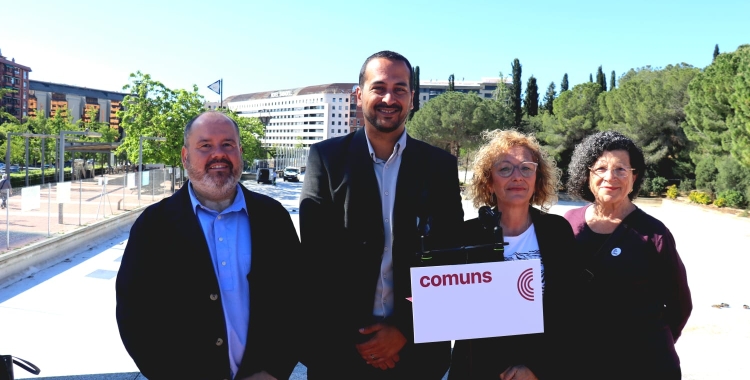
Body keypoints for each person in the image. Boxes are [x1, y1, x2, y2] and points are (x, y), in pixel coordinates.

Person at [299, 50, 464, 379]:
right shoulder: (326, 159)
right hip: (340, 349)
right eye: (379, 87)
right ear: (359, 95)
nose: (390, 98)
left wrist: (403, 328)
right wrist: (365, 340)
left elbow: (449, 256)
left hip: (416, 351)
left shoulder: (439, 167)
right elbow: (318, 259)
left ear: (412, 99)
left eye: (400, 89)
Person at [116, 112, 301, 380]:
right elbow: (134, 315)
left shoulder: (273, 218)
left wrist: (274, 370)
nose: (218, 154)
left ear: (240, 151)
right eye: (205, 146)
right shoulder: (154, 226)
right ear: (185, 156)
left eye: (228, 144)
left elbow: (296, 299)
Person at [448, 130, 578, 380]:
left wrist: (537, 368)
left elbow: (568, 311)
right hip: (478, 369)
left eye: (526, 168)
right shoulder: (468, 234)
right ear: (489, 181)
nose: (517, 177)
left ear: (537, 178)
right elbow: (455, 313)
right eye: (505, 169)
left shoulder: (557, 232)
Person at [563, 130, 692, 380]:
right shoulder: (567, 224)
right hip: (582, 363)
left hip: (644, 365)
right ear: (587, 175)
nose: (610, 177)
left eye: (621, 169)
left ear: (634, 178)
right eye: (600, 168)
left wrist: (656, 344)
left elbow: (680, 304)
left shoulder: (655, 234)